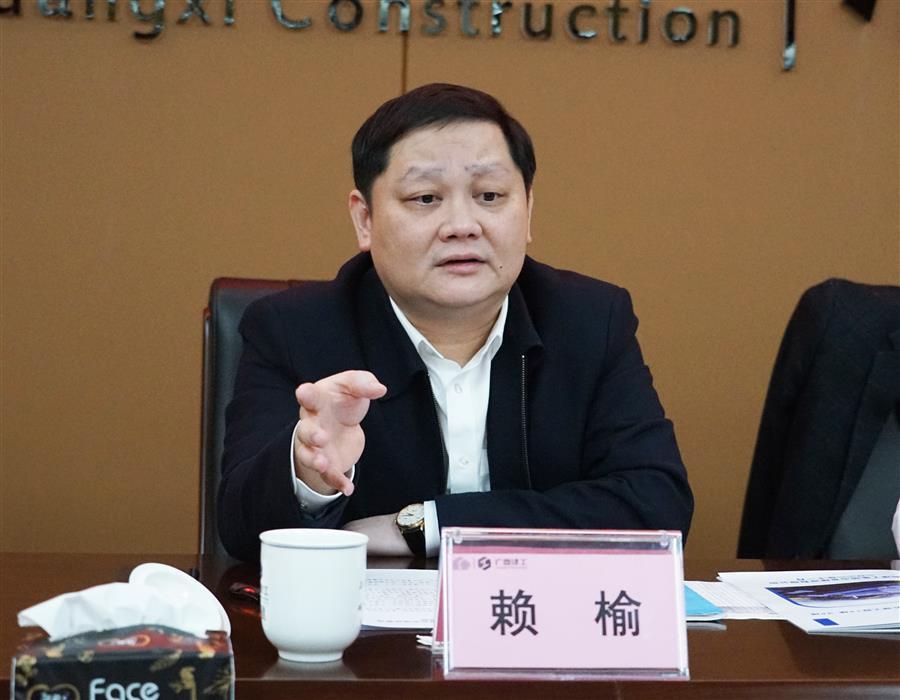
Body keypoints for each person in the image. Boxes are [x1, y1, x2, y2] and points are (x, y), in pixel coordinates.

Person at [219, 83, 693, 562]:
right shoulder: (293, 330)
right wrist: (308, 475)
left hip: (533, 610)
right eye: (426, 198)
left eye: (489, 195)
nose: (462, 225)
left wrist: (428, 524)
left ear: (528, 209)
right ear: (365, 220)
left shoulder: (590, 320)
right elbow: (239, 530)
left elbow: (657, 508)